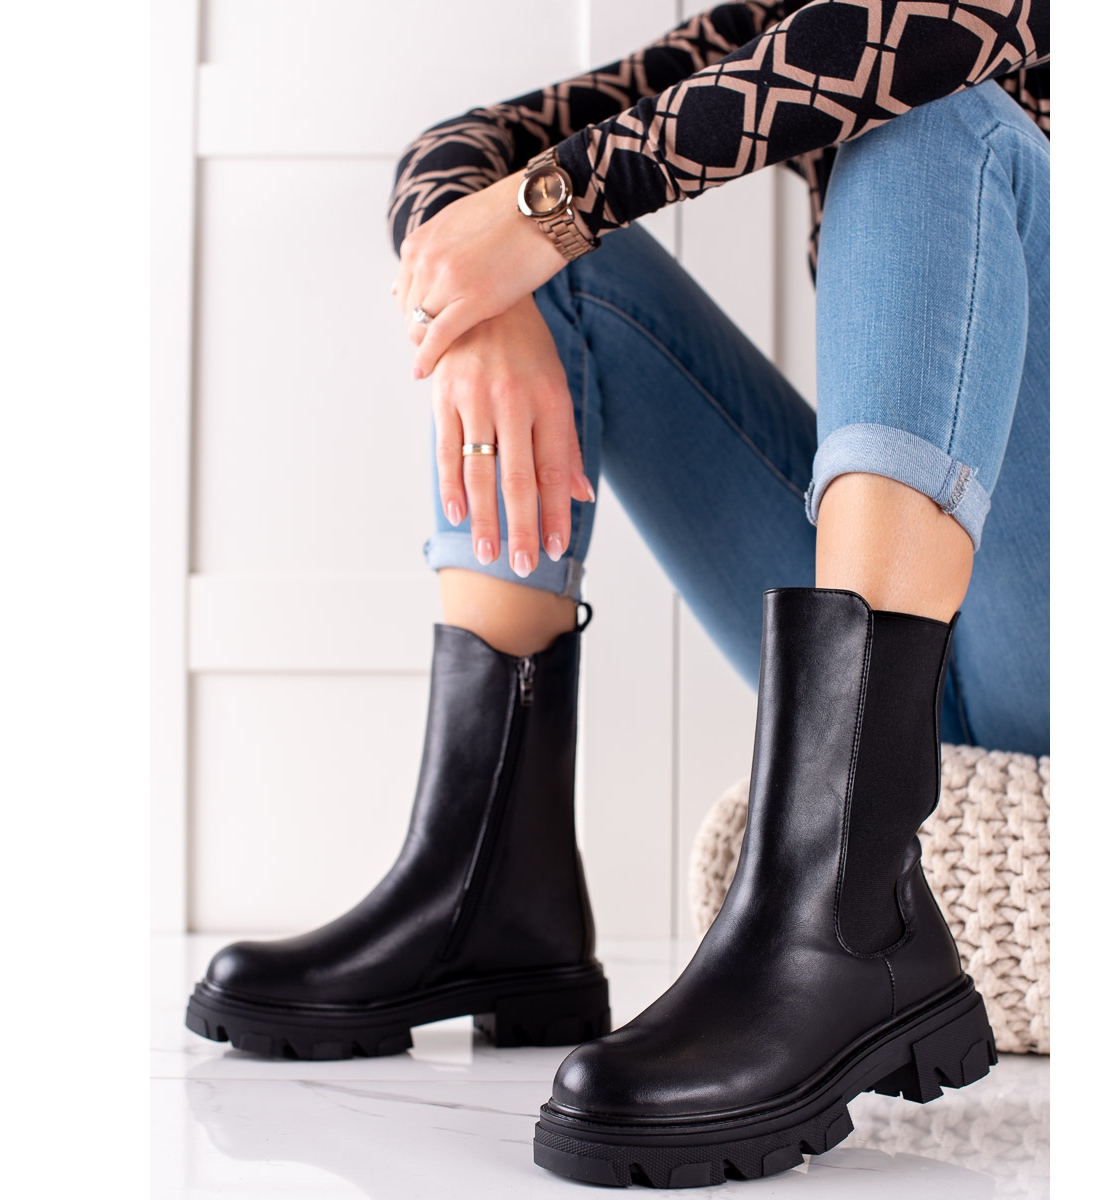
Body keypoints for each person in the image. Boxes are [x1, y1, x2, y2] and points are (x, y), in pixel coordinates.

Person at [186, 1, 1049, 1187]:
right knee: (538, 259)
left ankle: (847, 925)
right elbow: (461, 150)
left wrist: (545, 211)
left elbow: (910, 34)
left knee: (927, 113)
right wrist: (498, 269)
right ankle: (489, 886)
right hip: (908, 645)